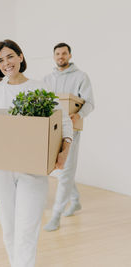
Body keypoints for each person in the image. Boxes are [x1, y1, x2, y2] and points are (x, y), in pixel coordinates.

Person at [0, 39, 73, 267]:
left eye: (10, 56)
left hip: (33, 171)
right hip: (1, 172)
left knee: (26, 232)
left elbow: (64, 122)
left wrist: (64, 151)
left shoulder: (40, 87)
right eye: (0, 60)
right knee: (9, 231)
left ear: (20, 57)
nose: (6, 63)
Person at [43, 43, 95, 232]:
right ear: (54, 56)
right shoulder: (47, 79)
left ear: (70, 55)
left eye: (64, 53)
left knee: (65, 172)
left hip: (72, 131)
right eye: (57, 53)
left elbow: (89, 102)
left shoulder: (81, 77)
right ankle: (76, 201)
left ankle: (56, 215)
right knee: (62, 170)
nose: (61, 56)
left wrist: (78, 115)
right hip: (53, 130)